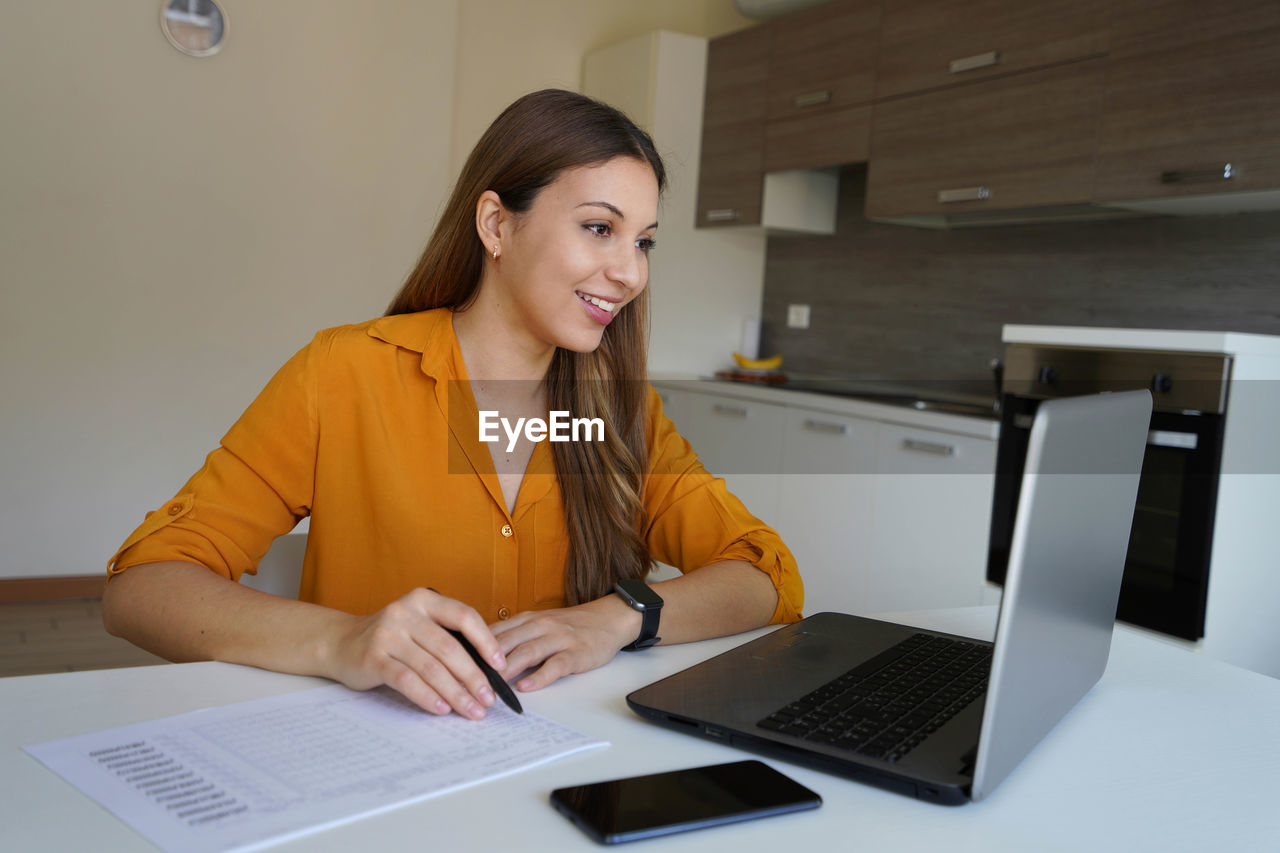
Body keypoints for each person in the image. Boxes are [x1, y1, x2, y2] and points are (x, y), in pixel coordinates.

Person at [102, 89, 803, 721]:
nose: (630, 272)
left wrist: (619, 617)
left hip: (565, 760)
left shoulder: (620, 413)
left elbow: (766, 574)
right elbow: (143, 585)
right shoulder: (344, 373)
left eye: (644, 242)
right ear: (497, 225)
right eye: (599, 228)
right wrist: (341, 638)